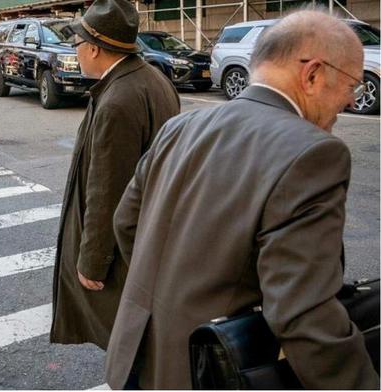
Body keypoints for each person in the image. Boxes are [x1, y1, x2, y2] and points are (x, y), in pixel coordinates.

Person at [104, 9, 379, 390]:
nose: (351, 101)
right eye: (353, 85)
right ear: (313, 74)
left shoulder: (181, 126)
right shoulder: (313, 153)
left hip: (136, 356)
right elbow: (303, 311)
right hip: (213, 367)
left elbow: (126, 224)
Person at [50, 0, 180, 351]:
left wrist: (92, 262)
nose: (75, 52)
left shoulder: (117, 100)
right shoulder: (149, 78)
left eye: (77, 45)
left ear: (94, 48)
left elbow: (107, 190)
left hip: (125, 250)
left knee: (128, 345)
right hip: (149, 238)